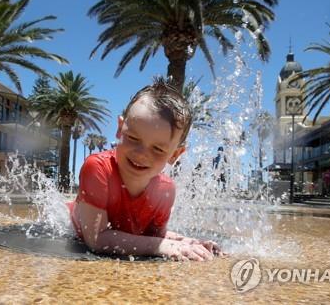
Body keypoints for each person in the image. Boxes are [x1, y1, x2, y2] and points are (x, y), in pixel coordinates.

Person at [68, 79, 223, 261]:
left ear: (175, 154)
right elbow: (96, 239)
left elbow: (155, 236)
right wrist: (162, 246)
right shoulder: (98, 168)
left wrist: (189, 243)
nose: (141, 154)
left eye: (158, 149)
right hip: (76, 222)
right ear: (120, 129)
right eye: (133, 138)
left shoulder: (165, 190)